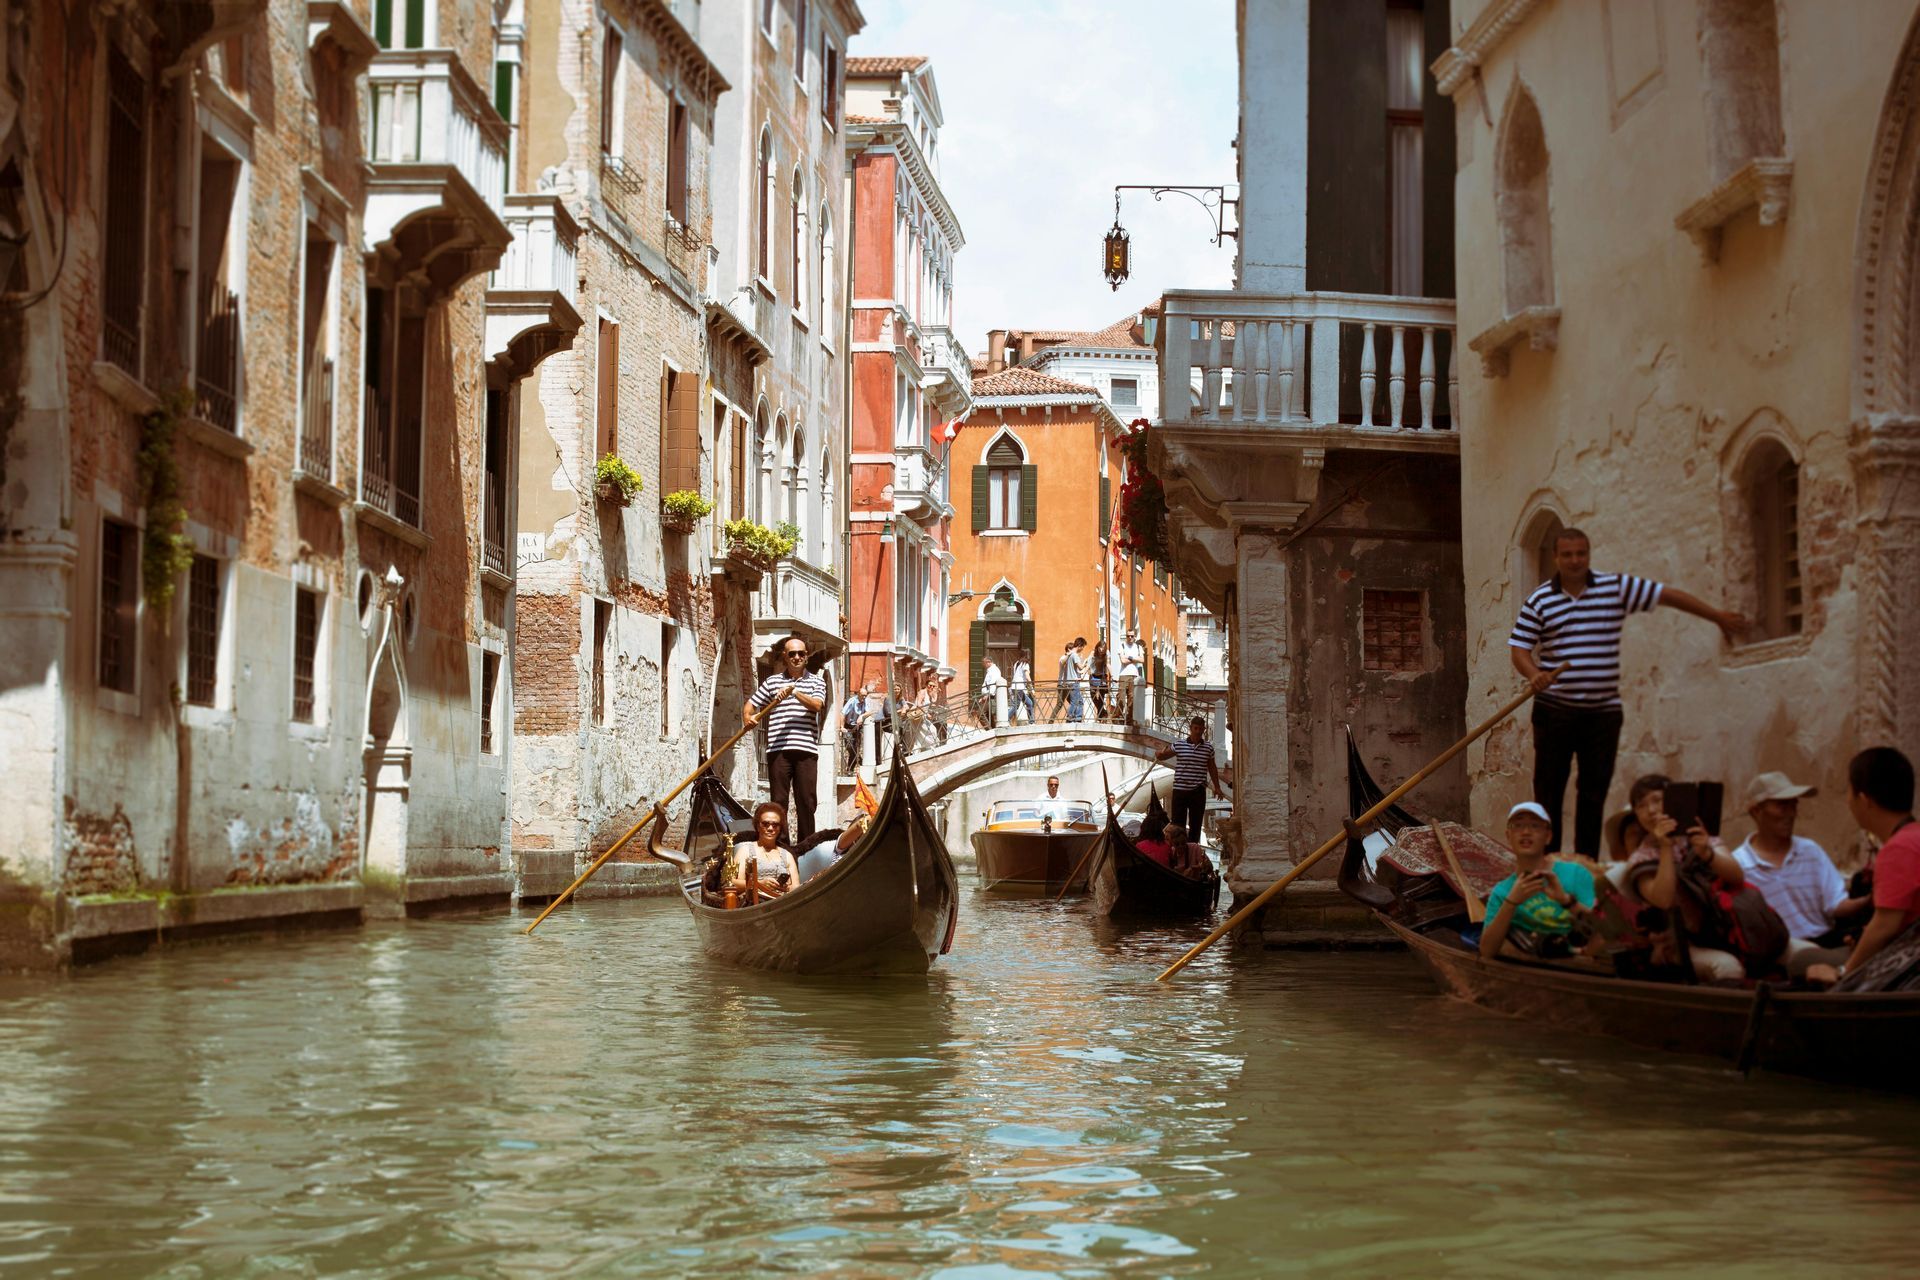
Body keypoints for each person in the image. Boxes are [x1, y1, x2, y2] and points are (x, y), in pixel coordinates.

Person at [1509, 528, 1746, 855]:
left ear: (1588, 555)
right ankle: (1547, 866)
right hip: (1555, 710)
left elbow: (1668, 595)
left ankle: (1585, 866)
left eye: (1581, 553)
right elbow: (1519, 649)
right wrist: (1534, 673)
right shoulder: (1539, 600)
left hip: (1603, 714)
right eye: (1568, 554)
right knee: (1548, 792)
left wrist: (1716, 616)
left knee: (1593, 794)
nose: (1575, 560)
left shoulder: (1614, 588)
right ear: (1556, 557)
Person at [1730, 771, 1868, 974]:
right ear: (1757, 812)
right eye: (1781, 806)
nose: (1791, 813)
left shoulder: (1810, 851)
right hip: (1781, 952)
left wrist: (1870, 900)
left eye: (1793, 805)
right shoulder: (1738, 866)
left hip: (1824, 941)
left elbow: (1836, 904)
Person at [1619, 774, 1749, 983]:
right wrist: (1665, 847)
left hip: (1726, 929)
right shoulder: (1640, 859)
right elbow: (1664, 899)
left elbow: (1737, 876)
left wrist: (1707, 853)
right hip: (1678, 945)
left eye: (1657, 800)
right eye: (1641, 805)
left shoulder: (1699, 835)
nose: (1651, 810)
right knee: (1727, 967)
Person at [1808, 748, 1920, 988]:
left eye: (1848, 792)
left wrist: (1844, 972)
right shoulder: (1914, 837)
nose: (1847, 801)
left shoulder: (1898, 849)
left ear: (1864, 800)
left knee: (1804, 961)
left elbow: (1885, 926)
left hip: (1908, 970)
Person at [1479, 801, 1599, 959]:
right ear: (1508, 836)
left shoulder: (1576, 873)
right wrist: (1511, 902)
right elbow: (1486, 952)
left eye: (1535, 826)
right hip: (1532, 966)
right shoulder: (1502, 891)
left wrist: (1566, 901)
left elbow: (1602, 930)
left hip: (1580, 963)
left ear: (1548, 836)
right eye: (1518, 825)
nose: (1526, 832)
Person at [744, 635, 826, 849]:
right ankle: (781, 850)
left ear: (806, 657)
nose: (797, 657)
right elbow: (751, 705)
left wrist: (794, 691)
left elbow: (817, 705)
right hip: (778, 750)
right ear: (785, 657)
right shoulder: (772, 682)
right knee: (778, 803)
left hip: (806, 750)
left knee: (806, 803)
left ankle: (807, 849)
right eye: (792, 654)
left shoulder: (817, 681)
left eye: (801, 653)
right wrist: (748, 718)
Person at [1156, 716, 1225, 844]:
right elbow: (1163, 756)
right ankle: (1177, 852)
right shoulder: (1179, 745)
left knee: (1196, 825)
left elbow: (1212, 768)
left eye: (1200, 729)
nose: (1198, 731)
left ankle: (1192, 852)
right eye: (1195, 728)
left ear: (1204, 729)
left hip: (1198, 791)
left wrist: (1217, 787)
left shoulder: (1208, 748)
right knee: (1177, 825)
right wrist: (1158, 754)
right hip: (1180, 790)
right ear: (1191, 729)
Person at [728, 801, 802, 901]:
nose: (770, 828)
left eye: (775, 825)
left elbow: (796, 888)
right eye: (765, 824)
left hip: (783, 903)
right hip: (754, 904)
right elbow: (732, 883)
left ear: (780, 828)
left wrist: (786, 888)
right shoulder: (745, 850)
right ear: (758, 826)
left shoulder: (787, 855)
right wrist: (760, 884)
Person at [1117, 631, 1145, 723]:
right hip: (1123, 674)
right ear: (1126, 636)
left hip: (1134, 674)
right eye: (1128, 636)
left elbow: (1142, 660)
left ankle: (1129, 719)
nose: (1130, 638)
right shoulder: (1122, 646)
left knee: (1132, 697)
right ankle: (1120, 717)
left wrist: (1129, 658)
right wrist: (1135, 659)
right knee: (1120, 697)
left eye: (1132, 636)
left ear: (1134, 637)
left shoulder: (1138, 647)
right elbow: (1122, 661)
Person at [978, 657, 1007, 728]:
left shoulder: (994, 671)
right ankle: (993, 730)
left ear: (988, 662)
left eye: (984, 663)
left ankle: (990, 731)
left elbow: (993, 684)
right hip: (986, 696)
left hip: (990, 697)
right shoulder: (990, 671)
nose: (983, 665)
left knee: (980, 714)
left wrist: (987, 695)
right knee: (988, 715)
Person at [1010, 651, 1036, 725]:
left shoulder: (1017, 663)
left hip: (1014, 686)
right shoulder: (1025, 664)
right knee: (1016, 706)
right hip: (1019, 688)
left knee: (1029, 703)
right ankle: (1006, 719)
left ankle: (1031, 721)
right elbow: (1027, 677)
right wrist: (1032, 689)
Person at [1089, 639, 1111, 719]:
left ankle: (1100, 717)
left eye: (1103, 648)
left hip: (1102, 676)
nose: (1102, 650)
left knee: (1101, 696)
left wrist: (1113, 675)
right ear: (1097, 647)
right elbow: (1089, 665)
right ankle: (1103, 713)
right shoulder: (1093, 653)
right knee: (1093, 695)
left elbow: (1108, 664)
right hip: (1094, 676)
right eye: (1100, 648)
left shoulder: (1107, 653)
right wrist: (1082, 674)